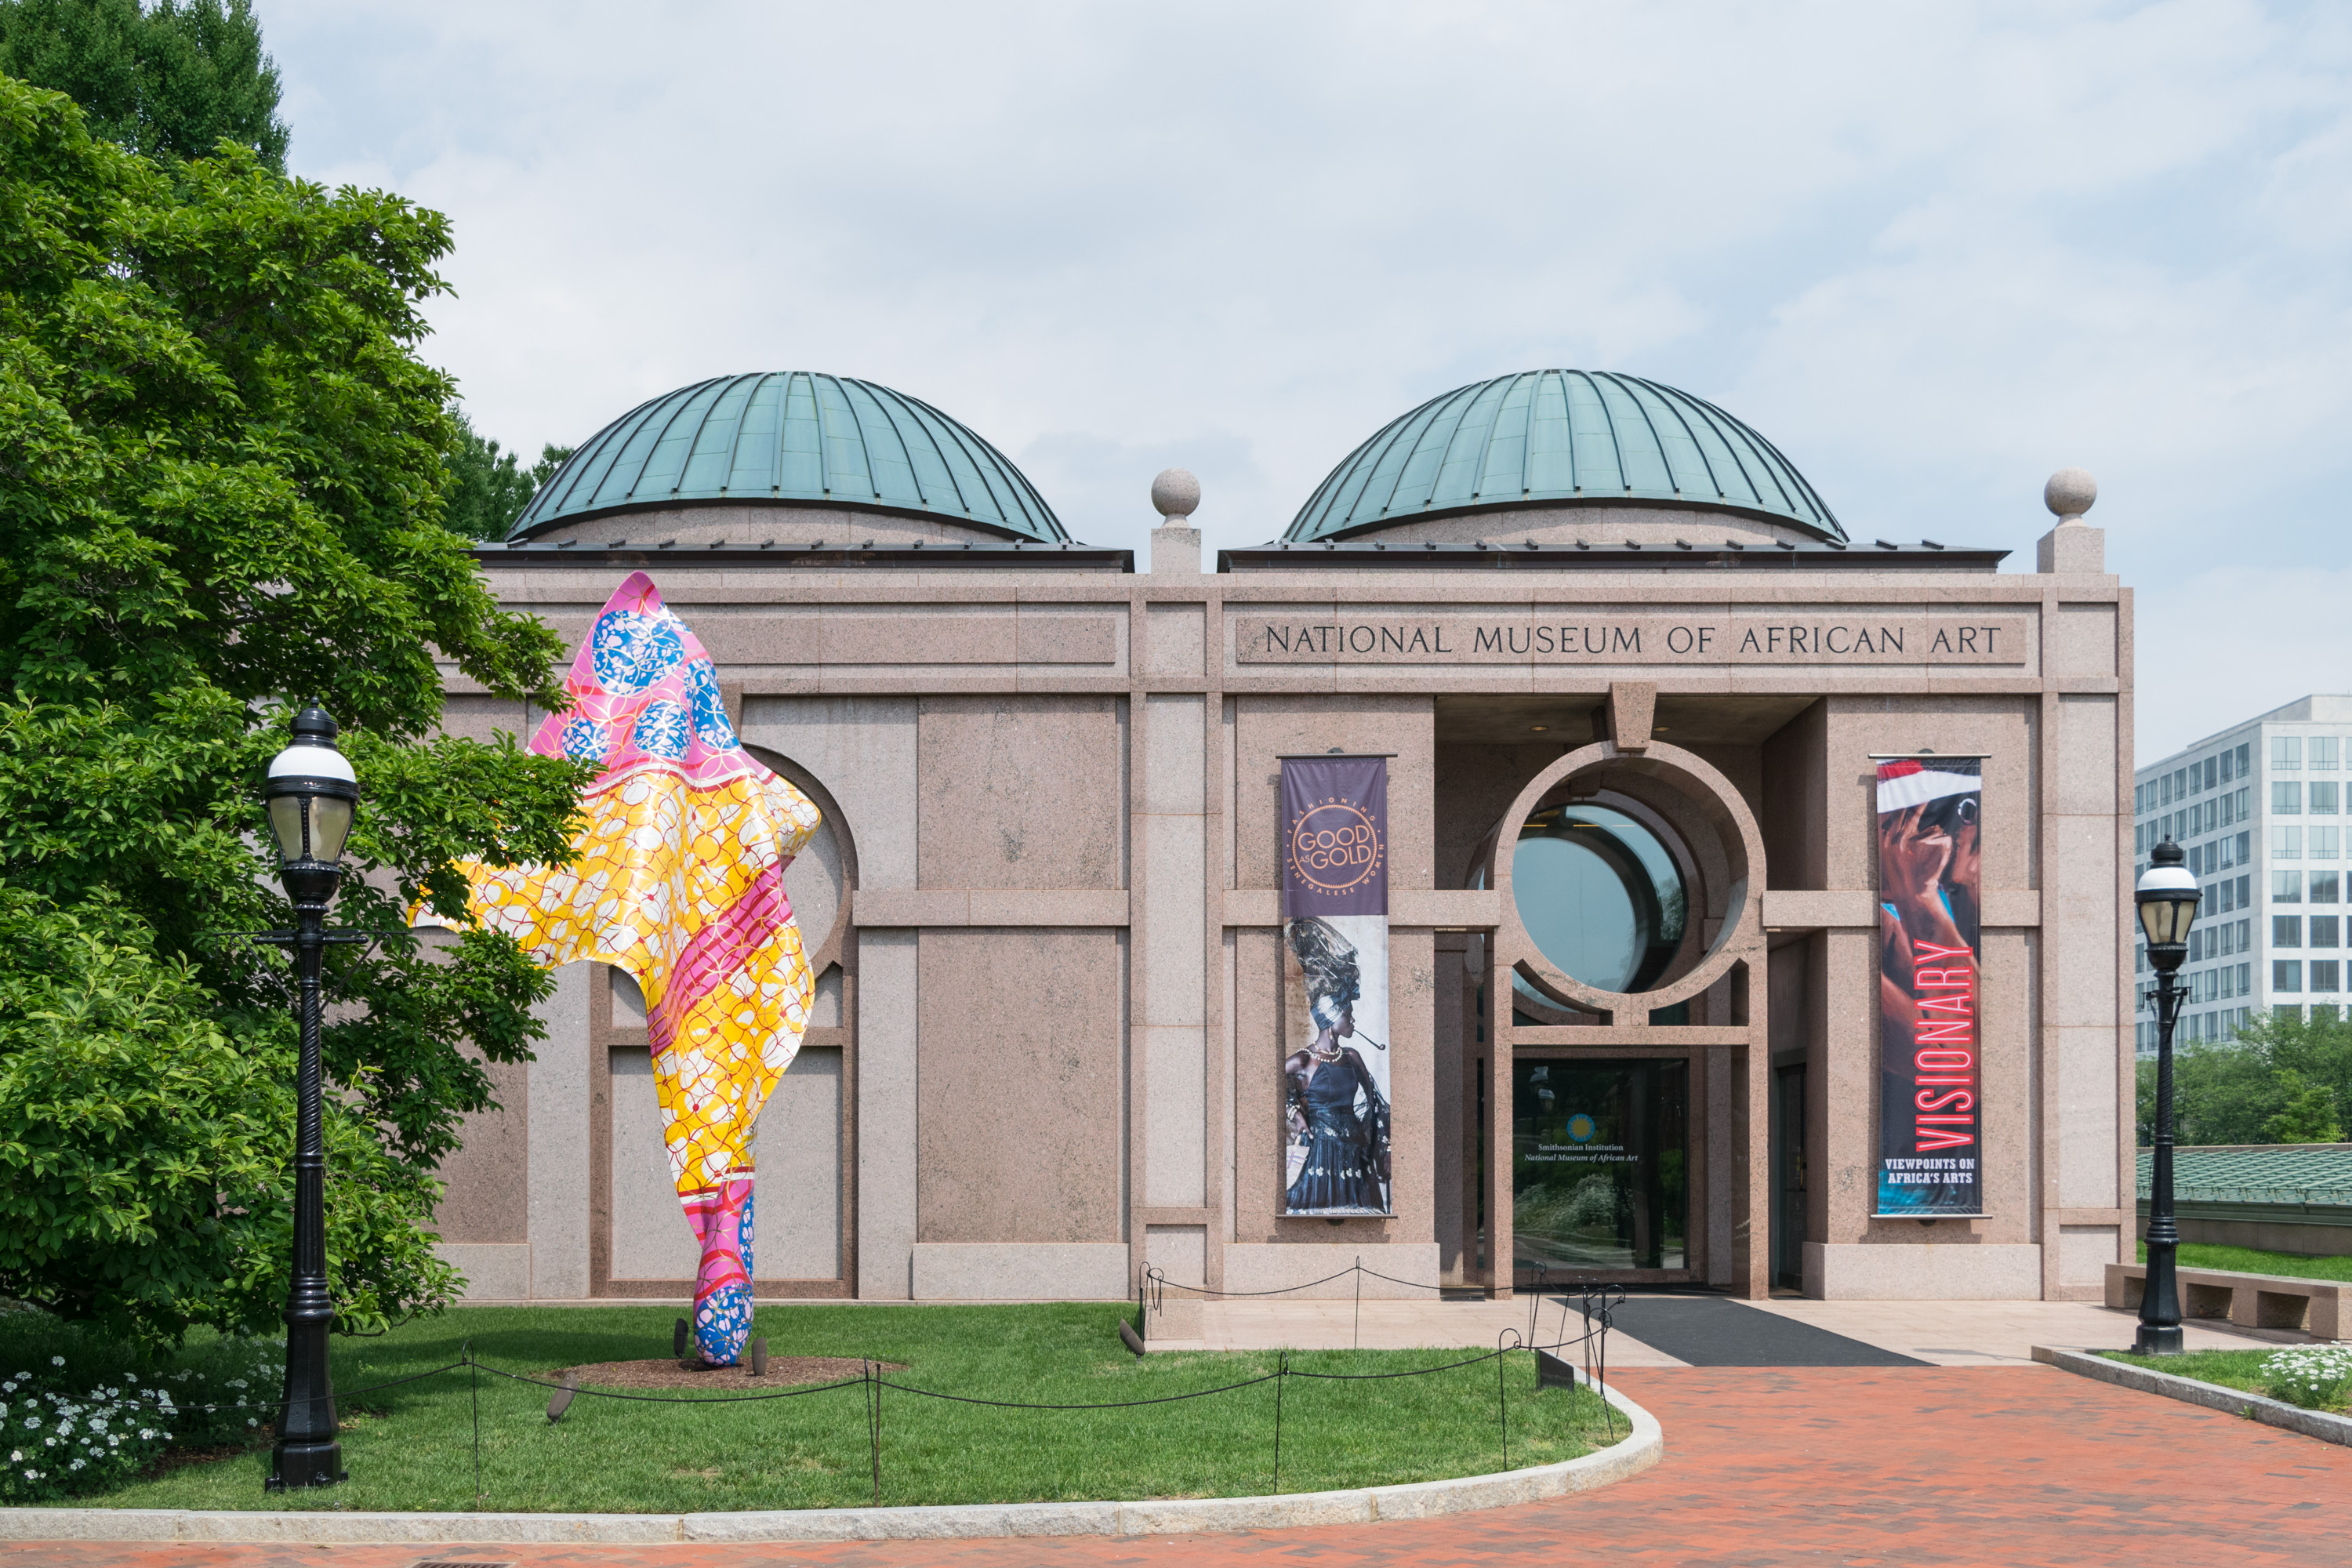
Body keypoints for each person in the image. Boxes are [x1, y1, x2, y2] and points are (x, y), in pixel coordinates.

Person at [1283, 916, 1390, 1213]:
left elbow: (1377, 1104)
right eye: (1348, 1014)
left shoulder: (1352, 1057)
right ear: (1331, 1019)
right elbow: (1268, 1081)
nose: (1353, 1020)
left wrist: (1384, 1148)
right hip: (1319, 1153)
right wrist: (1294, 1112)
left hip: (1355, 1155)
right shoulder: (1303, 1060)